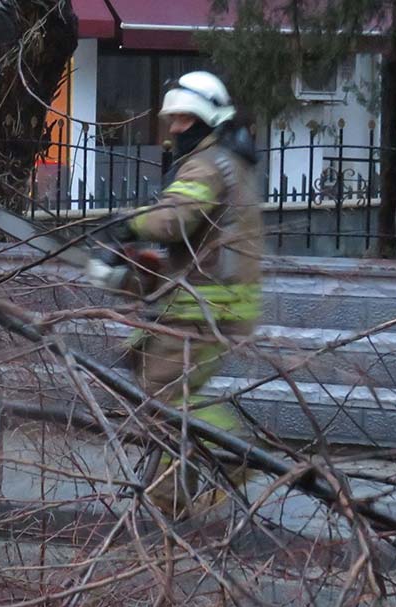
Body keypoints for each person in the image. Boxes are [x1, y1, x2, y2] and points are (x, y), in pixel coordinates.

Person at [84, 72, 262, 518]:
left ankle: (235, 452)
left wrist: (130, 223)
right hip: (208, 299)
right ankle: (172, 500)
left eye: (183, 119)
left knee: (162, 395)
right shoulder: (224, 161)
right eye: (173, 119)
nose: (174, 129)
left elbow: (176, 219)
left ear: (204, 120)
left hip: (205, 305)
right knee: (159, 390)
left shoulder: (206, 164)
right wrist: (147, 266)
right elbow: (199, 240)